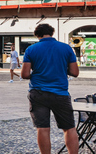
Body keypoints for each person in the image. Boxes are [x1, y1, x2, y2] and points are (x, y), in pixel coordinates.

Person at [21, 23, 79, 154]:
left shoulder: (31, 49)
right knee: (69, 128)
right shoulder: (66, 48)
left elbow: (24, 74)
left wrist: (38, 73)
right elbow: (75, 72)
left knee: (42, 128)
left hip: (38, 93)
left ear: (37, 35)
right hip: (60, 93)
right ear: (52, 33)